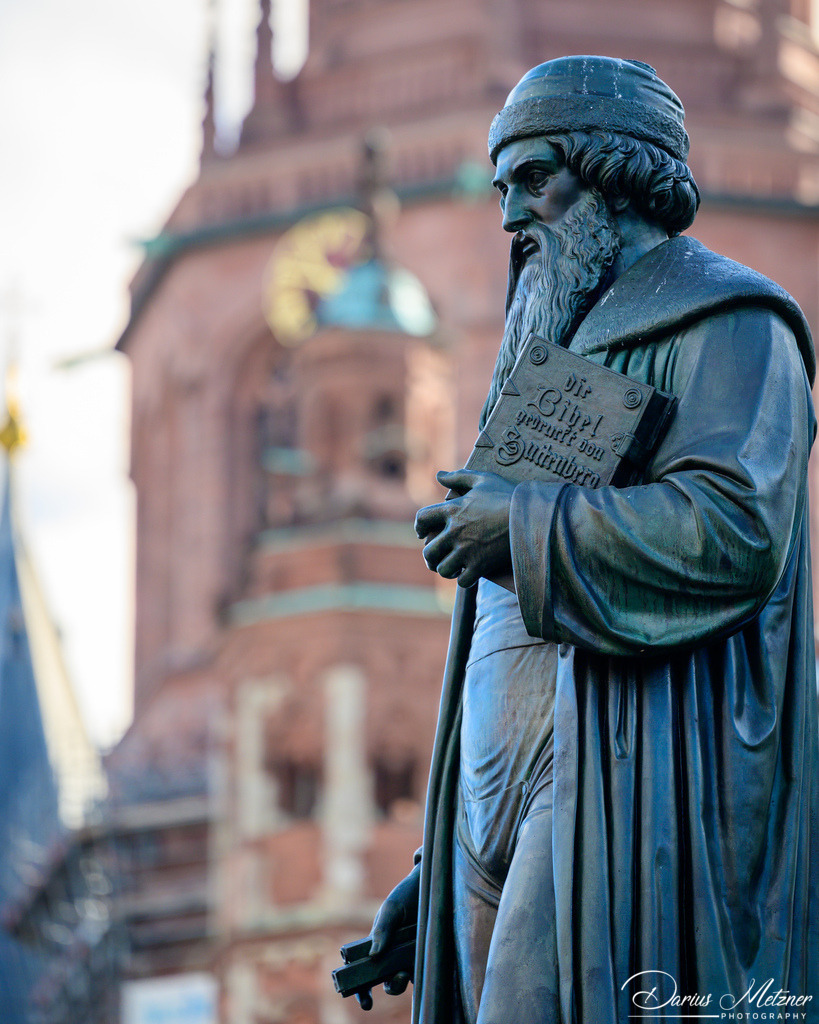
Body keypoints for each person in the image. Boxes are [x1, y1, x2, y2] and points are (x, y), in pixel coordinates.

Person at [368, 56, 819, 1024]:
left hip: (622, 773)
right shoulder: (549, 360)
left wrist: (517, 521)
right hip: (491, 805)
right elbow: (506, 646)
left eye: (534, 178)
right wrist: (436, 855)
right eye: (502, 185)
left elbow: (736, 528)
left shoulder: (733, 323)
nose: (509, 215)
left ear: (616, 175)